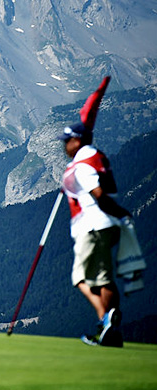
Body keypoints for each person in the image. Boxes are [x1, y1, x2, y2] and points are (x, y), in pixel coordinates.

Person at [58, 121, 131, 347]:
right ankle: (111, 328)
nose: (64, 147)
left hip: (92, 226)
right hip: (106, 226)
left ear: (77, 141)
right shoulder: (97, 157)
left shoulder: (83, 164)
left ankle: (105, 320)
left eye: (67, 141)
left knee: (81, 278)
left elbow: (98, 193)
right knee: (102, 278)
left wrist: (121, 213)